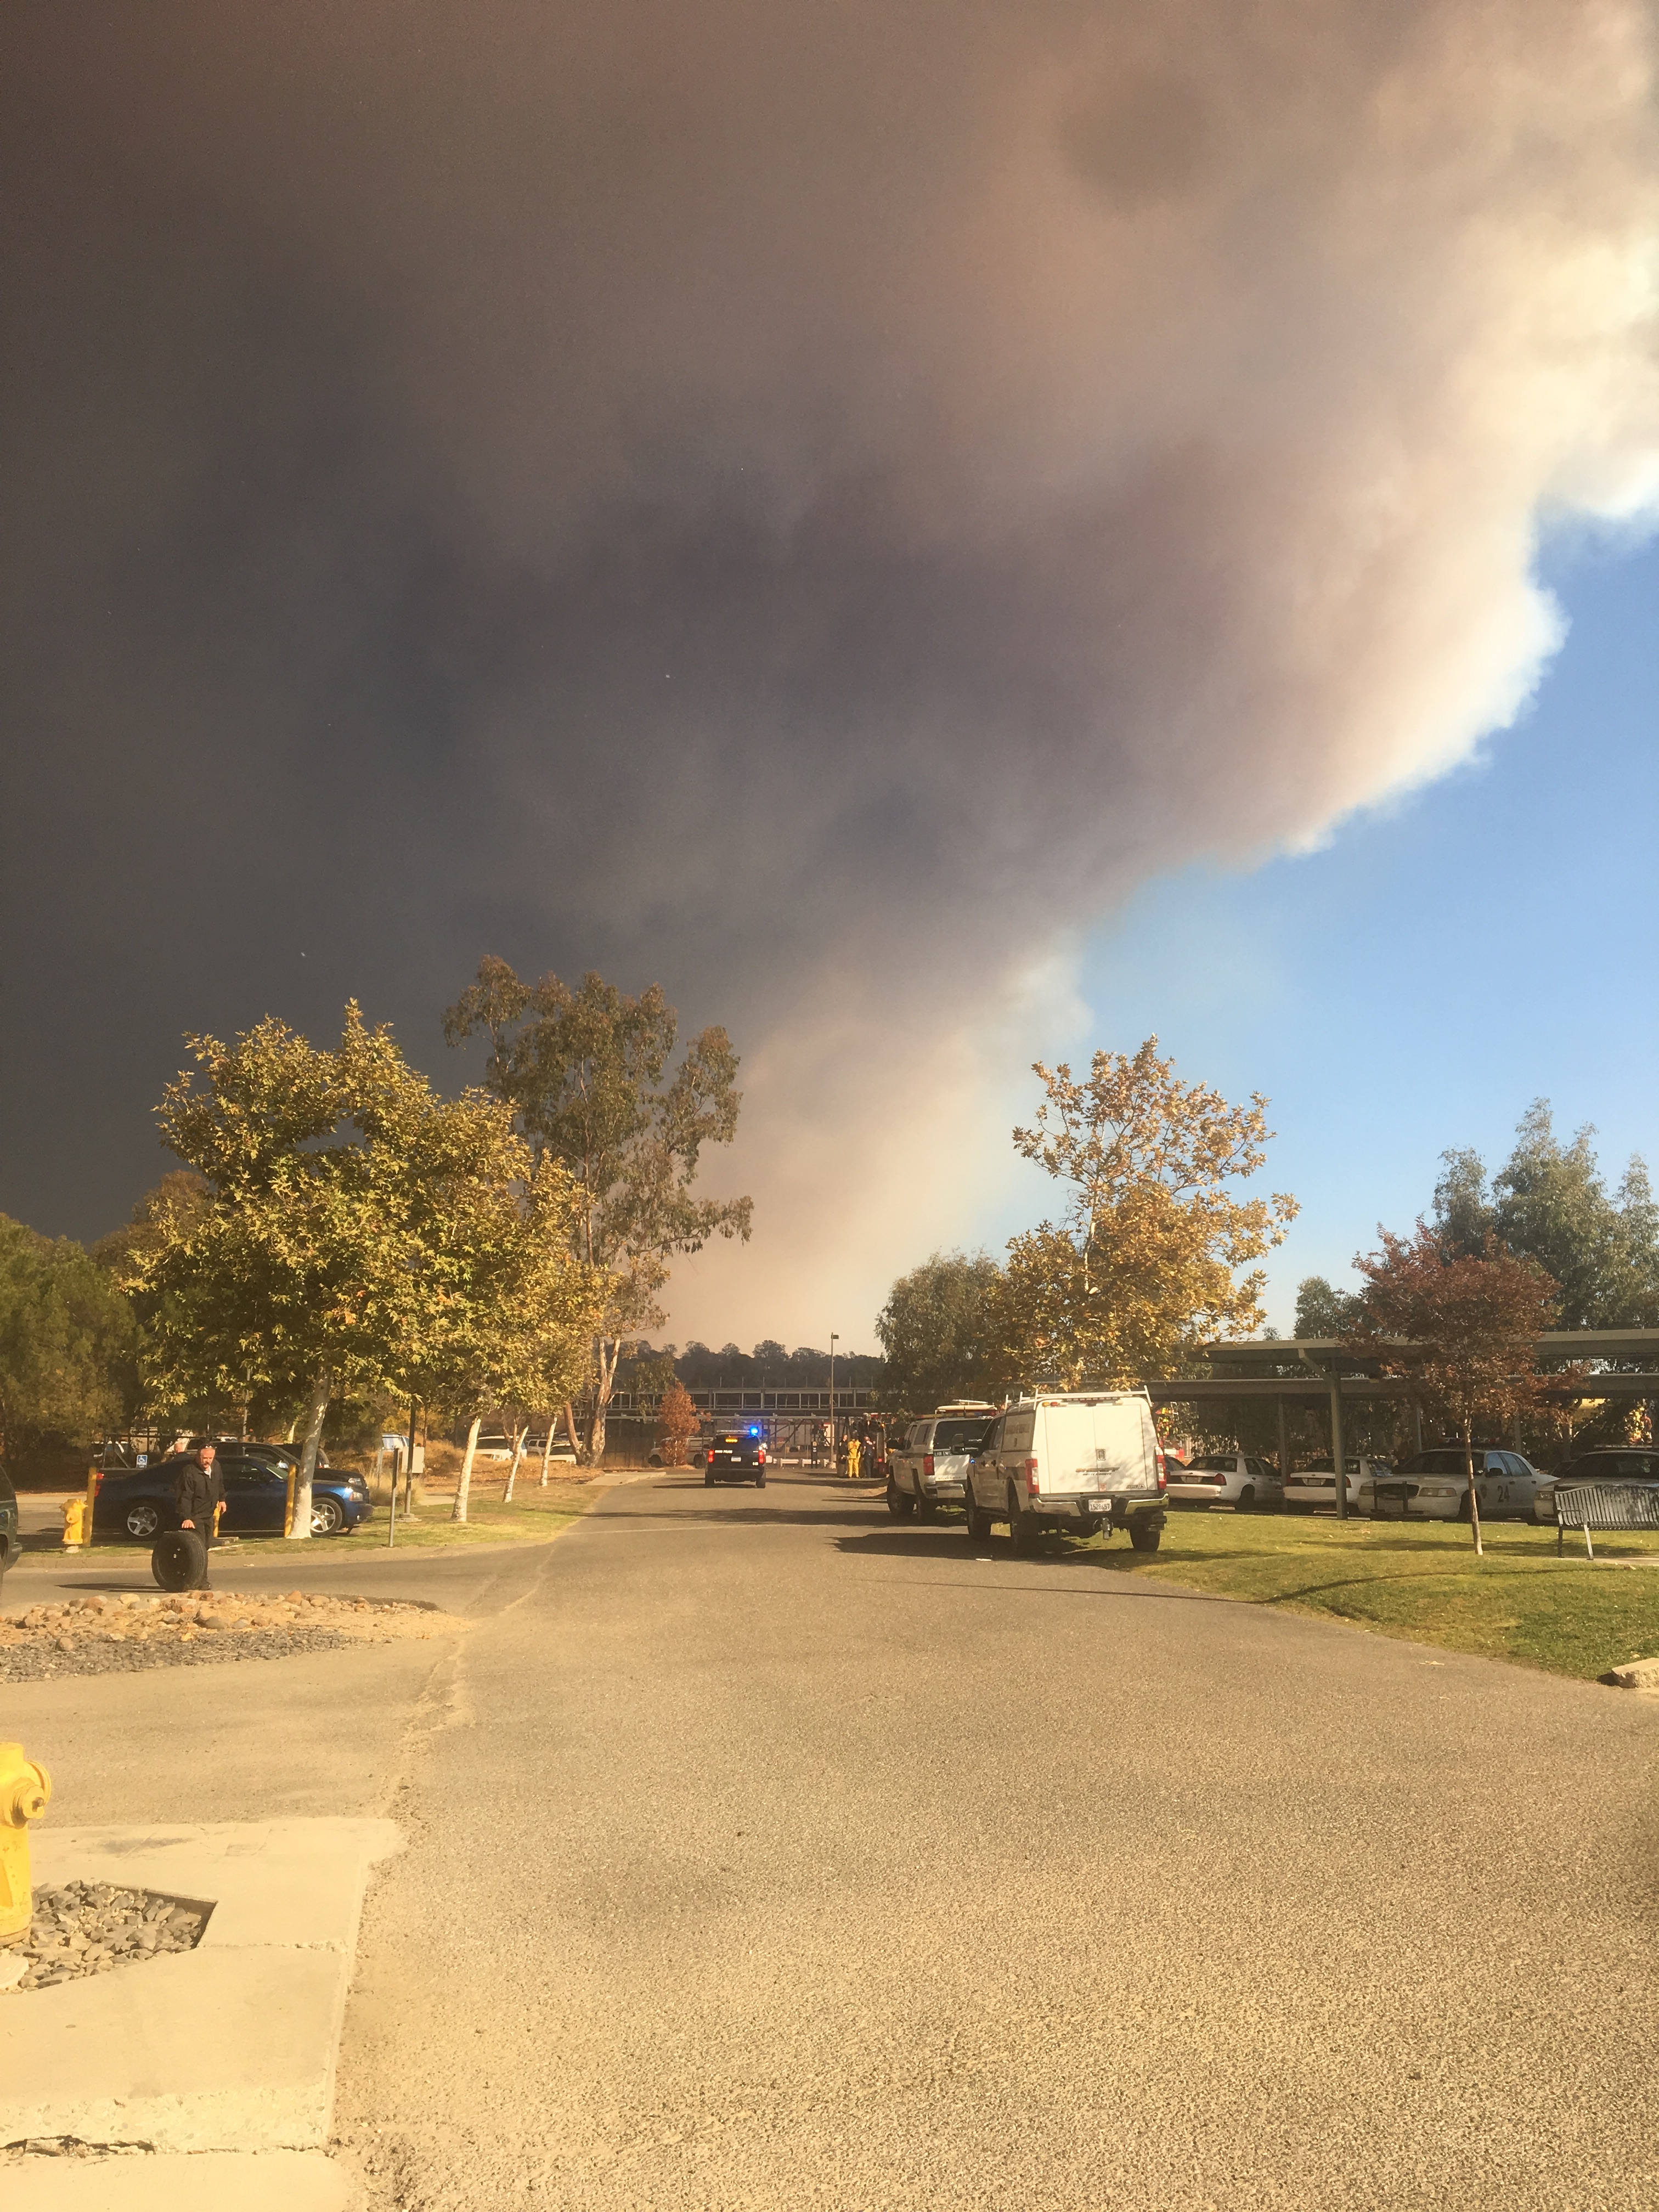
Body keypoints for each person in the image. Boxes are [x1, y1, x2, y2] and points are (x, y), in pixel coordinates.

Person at [173, 1440, 225, 1560]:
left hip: (209, 1513)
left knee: (206, 1546)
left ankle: (202, 1576)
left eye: (211, 1458)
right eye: (205, 1458)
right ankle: (196, 1576)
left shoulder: (216, 1467)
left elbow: (220, 1484)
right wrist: (187, 1518)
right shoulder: (189, 1472)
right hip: (195, 1516)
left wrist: (222, 1499)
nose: (208, 1461)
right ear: (198, 1456)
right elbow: (184, 1496)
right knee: (198, 1548)